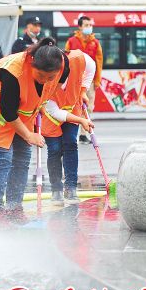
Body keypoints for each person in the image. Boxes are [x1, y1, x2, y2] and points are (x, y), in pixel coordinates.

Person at [0, 37, 67, 227]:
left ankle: (14, 208)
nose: (45, 81)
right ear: (32, 64)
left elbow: (51, 87)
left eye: (50, 77)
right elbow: (7, 111)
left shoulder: (62, 63)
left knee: (22, 159)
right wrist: (29, 135)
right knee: (4, 158)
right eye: (41, 76)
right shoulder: (12, 74)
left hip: (22, 112)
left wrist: (42, 102)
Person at [40, 50, 96, 205]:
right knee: (55, 149)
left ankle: (71, 187)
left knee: (71, 143)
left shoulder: (77, 59)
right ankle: (56, 189)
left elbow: (92, 66)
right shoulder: (45, 82)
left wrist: (83, 90)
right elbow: (55, 112)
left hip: (72, 107)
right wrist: (81, 120)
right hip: (52, 117)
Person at [65, 16, 103, 143]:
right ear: (80, 27)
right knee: (75, 107)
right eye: (86, 25)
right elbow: (67, 60)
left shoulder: (95, 43)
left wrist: (97, 80)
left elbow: (99, 62)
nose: (89, 27)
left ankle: (83, 133)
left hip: (90, 81)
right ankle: (75, 133)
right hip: (74, 82)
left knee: (89, 107)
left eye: (90, 24)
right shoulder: (71, 41)